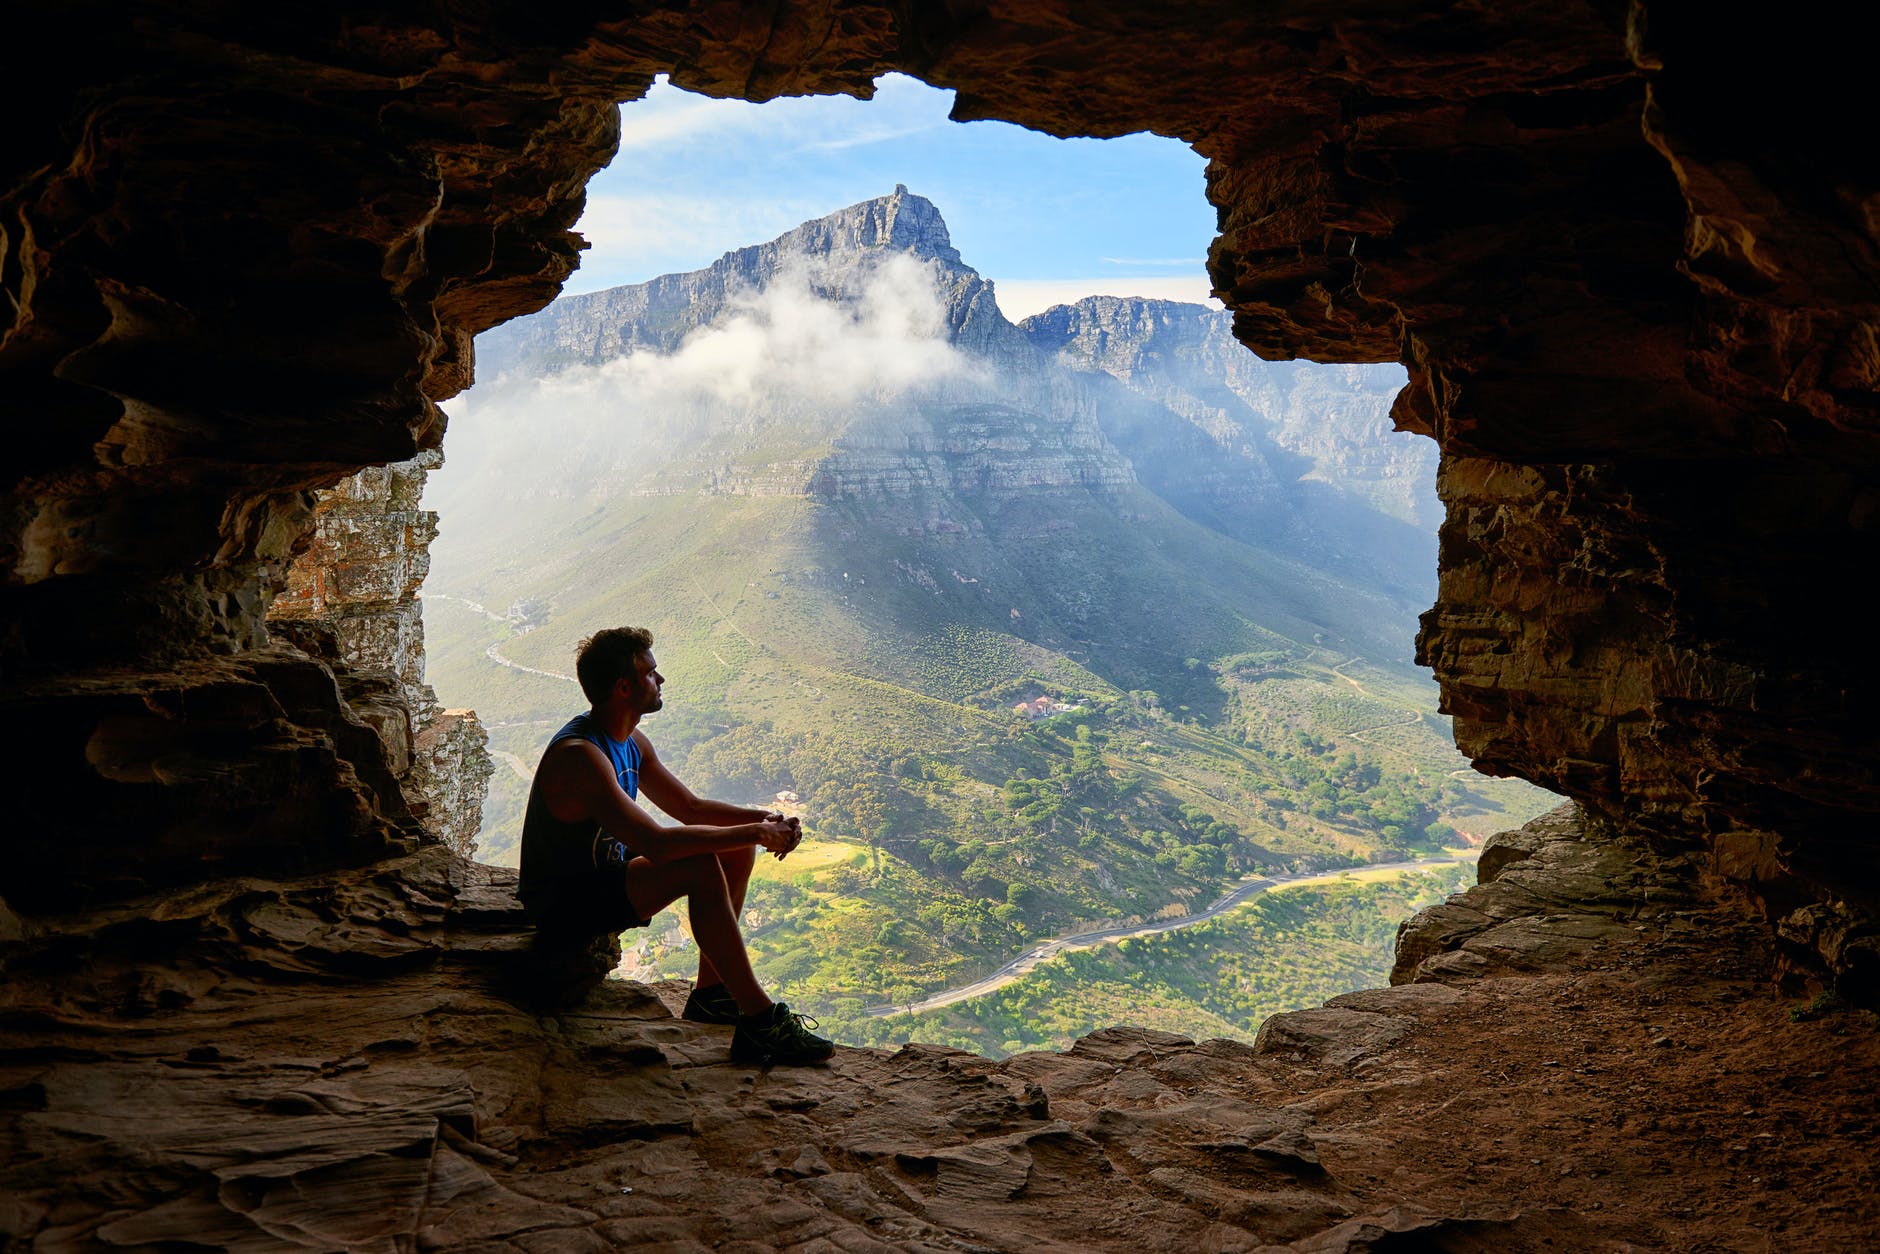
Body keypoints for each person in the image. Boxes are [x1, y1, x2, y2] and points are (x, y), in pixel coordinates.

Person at [517, 625, 834, 1065]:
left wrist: (763, 820)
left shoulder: (630, 741)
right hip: (566, 903)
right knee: (700, 866)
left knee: (732, 849)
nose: (660, 680)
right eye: (651, 672)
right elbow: (657, 843)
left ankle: (712, 996)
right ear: (624, 687)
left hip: (605, 879)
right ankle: (761, 1023)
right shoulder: (581, 756)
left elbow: (689, 806)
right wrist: (758, 833)